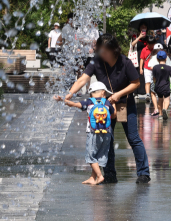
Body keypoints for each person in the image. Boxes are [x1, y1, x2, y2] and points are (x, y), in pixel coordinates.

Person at [65, 34, 150, 184]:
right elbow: (83, 78)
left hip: (124, 103)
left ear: (113, 50)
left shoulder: (125, 62)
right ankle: (109, 174)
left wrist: (119, 94)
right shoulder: (96, 61)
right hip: (104, 107)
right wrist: (70, 93)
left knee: (133, 137)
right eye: (99, 50)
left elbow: (136, 83)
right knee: (106, 138)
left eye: (104, 51)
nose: (101, 54)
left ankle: (143, 173)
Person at [54, 82, 115, 185]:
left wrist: (63, 100)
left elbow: (75, 104)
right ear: (103, 93)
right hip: (107, 133)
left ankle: (100, 176)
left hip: (93, 133)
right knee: (99, 155)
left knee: (91, 156)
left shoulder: (89, 102)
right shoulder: (107, 103)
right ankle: (92, 177)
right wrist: (113, 103)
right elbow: (113, 115)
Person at [153, 51, 171, 120]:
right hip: (166, 86)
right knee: (167, 99)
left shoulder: (155, 67)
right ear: (166, 59)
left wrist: (155, 83)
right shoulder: (168, 68)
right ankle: (165, 109)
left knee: (159, 100)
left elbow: (154, 78)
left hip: (158, 86)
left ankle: (160, 114)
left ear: (157, 59)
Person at [139, 36, 157, 104]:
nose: (151, 46)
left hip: (154, 68)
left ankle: (153, 93)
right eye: (150, 44)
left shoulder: (155, 49)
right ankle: (147, 94)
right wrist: (141, 68)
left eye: (153, 44)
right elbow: (141, 59)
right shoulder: (144, 49)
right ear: (147, 43)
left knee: (154, 81)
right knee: (148, 81)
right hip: (146, 68)